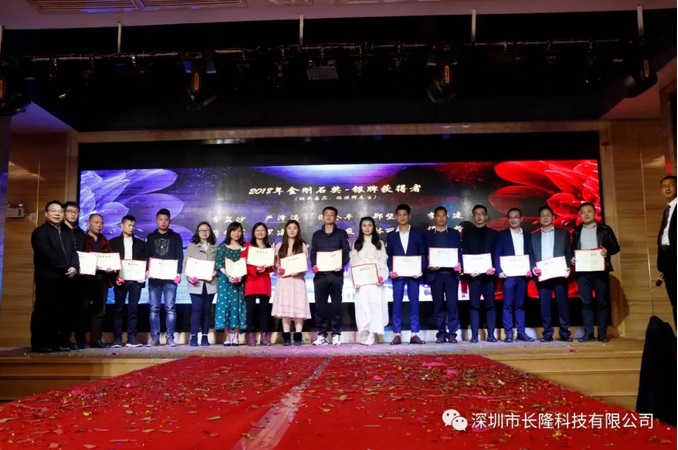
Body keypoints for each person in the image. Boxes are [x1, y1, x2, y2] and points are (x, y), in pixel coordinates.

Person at [30, 201, 79, 352]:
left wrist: (74, 267)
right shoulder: (40, 232)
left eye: (60, 211)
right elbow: (46, 254)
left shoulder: (67, 232)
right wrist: (66, 268)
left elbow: (74, 252)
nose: (57, 213)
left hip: (66, 279)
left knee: (61, 312)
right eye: (53, 210)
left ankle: (56, 342)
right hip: (48, 279)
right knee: (44, 311)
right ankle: (40, 343)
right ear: (46, 213)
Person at [572, 202, 620, 343]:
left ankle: (602, 333)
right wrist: (573, 259)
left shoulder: (604, 229)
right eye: (583, 212)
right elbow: (573, 248)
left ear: (595, 213)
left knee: (602, 302)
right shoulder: (577, 231)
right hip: (583, 272)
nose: (586, 214)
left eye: (589, 211)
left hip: (600, 270)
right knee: (585, 303)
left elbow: (616, 247)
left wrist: (607, 251)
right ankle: (588, 333)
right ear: (580, 215)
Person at [531, 206, 573, 342]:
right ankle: (547, 333)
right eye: (542, 215)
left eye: (547, 215)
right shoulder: (534, 236)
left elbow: (568, 252)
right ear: (539, 218)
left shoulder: (563, 234)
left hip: (559, 274)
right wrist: (533, 267)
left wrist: (568, 267)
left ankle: (565, 333)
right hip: (543, 275)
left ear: (553, 217)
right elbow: (531, 255)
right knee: (545, 306)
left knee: (562, 305)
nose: (545, 218)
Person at [386, 203, 427, 345]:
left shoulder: (417, 233)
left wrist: (420, 269)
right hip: (398, 275)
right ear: (395, 217)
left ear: (409, 216)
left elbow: (422, 253)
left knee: (414, 303)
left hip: (414, 275)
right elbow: (389, 256)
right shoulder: (391, 235)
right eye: (399, 215)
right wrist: (391, 270)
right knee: (396, 304)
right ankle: (396, 334)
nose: (402, 217)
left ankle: (414, 333)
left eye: (405, 215)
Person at [310, 206, 350, 346]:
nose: (328, 216)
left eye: (332, 214)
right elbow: (313, 253)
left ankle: (336, 334)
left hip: (336, 275)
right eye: (326, 214)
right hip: (320, 276)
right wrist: (314, 265)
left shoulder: (341, 234)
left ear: (335, 217)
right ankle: (321, 335)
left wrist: (342, 264)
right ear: (322, 217)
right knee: (320, 307)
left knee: (336, 306)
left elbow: (346, 252)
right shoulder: (317, 235)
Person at [494, 208, 535, 343]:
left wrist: (531, 268)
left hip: (523, 276)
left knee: (520, 305)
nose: (513, 220)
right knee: (507, 305)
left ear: (521, 219)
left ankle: (521, 332)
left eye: (516, 217)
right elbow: (497, 254)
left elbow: (531, 254)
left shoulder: (528, 236)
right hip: (508, 276)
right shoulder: (502, 235)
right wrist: (499, 271)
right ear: (508, 219)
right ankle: (509, 334)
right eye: (510, 217)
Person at [145, 208, 183, 347]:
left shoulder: (176, 237)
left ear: (169, 221)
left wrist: (178, 272)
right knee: (154, 308)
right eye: (160, 219)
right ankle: (154, 338)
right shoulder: (150, 237)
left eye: (166, 220)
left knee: (170, 308)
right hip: (154, 278)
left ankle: (170, 337)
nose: (163, 222)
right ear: (156, 221)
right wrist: (147, 270)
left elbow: (179, 256)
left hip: (170, 278)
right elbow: (146, 255)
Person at [424, 206, 462, 344]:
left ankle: (452, 334)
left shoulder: (454, 233)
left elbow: (459, 252)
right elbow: (423, 254)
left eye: (443, 215)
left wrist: (459, 263)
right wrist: (427, 265)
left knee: (452, 305)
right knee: (438, 306)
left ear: (447, 217)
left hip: (451, 275)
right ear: (434, 217)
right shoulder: (428, 235)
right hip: (435, 275)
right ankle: (441, 333)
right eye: (438, 216)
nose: (441, 218)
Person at [462, 204, 499, 343]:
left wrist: (494, 268)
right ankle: (474, 335)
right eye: (476, 214)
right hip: (473, 277)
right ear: (473, 217)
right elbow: (464, 254)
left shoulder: (494, 234)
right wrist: (468, 270)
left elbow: (497, 254)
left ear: (486, 216)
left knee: (490, 306)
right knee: (474, 306)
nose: (479, 216)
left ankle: (491, 335)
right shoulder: (467, 234)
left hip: (489, 276)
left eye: (482, 213)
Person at [349, 217, 389, 346]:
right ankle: (366, 334)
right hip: (362, 281)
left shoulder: (379, 243)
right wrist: (354, 280)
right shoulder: (357, 243)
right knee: (363, 307)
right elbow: (353, 263)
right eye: (364, 225)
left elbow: (383, 262)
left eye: (369, 225)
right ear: (361, 228)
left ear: (373, 227)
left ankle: (372, 334)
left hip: (375, 281)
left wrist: (382, 277)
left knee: (375, 306)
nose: (367, 228)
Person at [272, 220, 311, 346]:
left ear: (298, 230)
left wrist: (299, 271)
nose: (292, 230)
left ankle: (298, 336)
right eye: (289, 228)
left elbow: (306, 264)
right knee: (286, 309)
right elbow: (276, 264)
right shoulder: (279, 246)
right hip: (284, 281)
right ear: (285, 230)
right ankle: (286, 337)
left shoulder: (302, 246)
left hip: (298, 280)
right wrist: (279, 268)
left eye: (295, 228)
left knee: (298, 307)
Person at [110, 215, 146, 348]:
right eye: (129, 225)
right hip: (120, 280)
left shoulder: (140, 243)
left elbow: (144, 262)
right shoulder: (113, 242)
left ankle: (132, 337)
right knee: (118, 309)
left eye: (133, 225)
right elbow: (111, 262)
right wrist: (115, 277)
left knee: (133, 310)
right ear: (122, 225)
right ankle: (117, 338)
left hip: (135, 281)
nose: (131, 228)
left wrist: (143, 274)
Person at [82, 213, 115, 348]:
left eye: (101, 223)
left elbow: (111, 259)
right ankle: (79, 339)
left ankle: (95, 340)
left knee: (100, 310)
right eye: (96, 222)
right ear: (88, 223)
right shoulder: (83, 239)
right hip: (85, 279)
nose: (99, 225)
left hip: (102, 279)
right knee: (83, 308)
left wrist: (111, 267)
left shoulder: (105, 241)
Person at [183, 222, 218, 347]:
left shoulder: (216, 247)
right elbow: (186, 265)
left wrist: (214, 273)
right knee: (196, 310)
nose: (204, 232)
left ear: (210, 232)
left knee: (207, 311)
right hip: (195, 283)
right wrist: (189, 276)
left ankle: (204, 337)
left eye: (206, 230)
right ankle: (193, 337)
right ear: (197, 232)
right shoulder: (191, 247)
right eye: (201, 230)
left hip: (210, 283)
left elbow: (219, 264)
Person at [215, 222, 246, 346]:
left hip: (240, 281)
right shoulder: (222, 246)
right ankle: (227, 337)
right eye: (234, 231)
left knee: (238, 306)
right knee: (225, 306)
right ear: (229, 232)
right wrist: (229, 275)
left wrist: (240, 276)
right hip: (225, 281)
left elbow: (245, 264)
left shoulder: (244, 247)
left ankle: (236, 336)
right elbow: (219, 263)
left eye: (239, 231)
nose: (236, 233)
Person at [243, 222, 274, 346]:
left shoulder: (269, 247)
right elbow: (243, 262)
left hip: (264, 280)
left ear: (266, 232)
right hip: (251, 280)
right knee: (250, 309)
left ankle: (264, 335)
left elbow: (272, 266)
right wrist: (255, 269)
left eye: (262, 230)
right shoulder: (248, 246)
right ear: (253, 232)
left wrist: (266, 268)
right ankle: (250, 334)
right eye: (257, 230)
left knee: (264, 310)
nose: (260, 232)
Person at [62, 201, 87, 349]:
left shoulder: (80, 232)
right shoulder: (59, 230)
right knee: (63, 308)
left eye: (76, 212)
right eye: (70, 211)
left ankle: (80, 340)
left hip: (79, 276)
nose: (73, 214)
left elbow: (83, 253)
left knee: (79, 309)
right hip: (63, 275)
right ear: (64, 212)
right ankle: (64, 339)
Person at [657, 175, 676, 327]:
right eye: (664, 186)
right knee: (675, 300)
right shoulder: (668, 209)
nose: (667, 188)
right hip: (668, 258)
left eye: (671, 185)